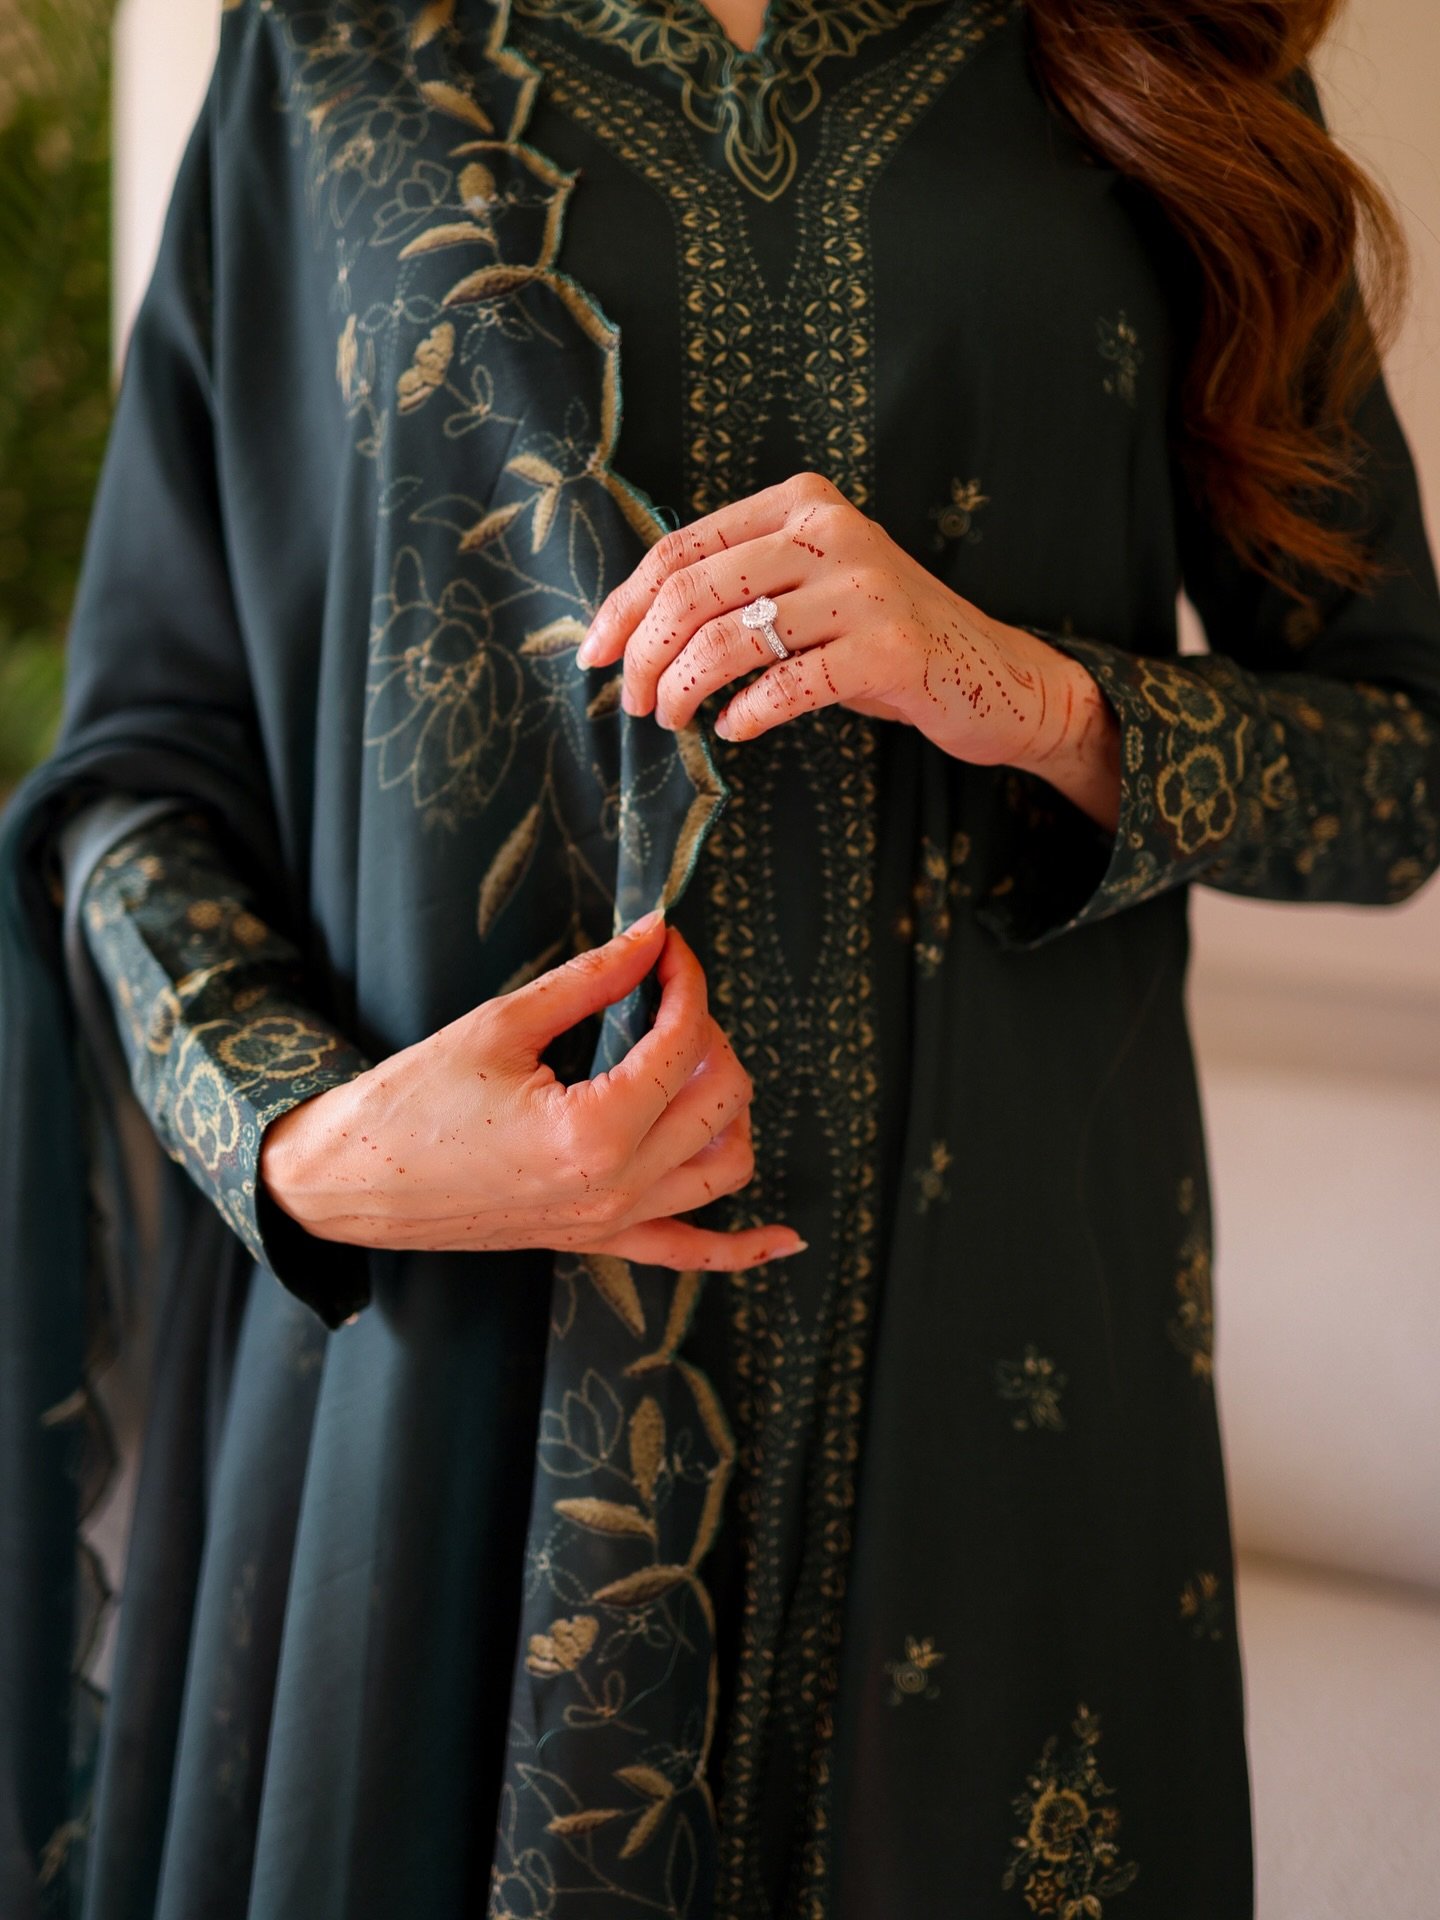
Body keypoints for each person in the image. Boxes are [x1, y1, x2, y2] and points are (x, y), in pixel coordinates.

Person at [2, 0, 1438, 1914]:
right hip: (434, 1410)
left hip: (1005, 1427)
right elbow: (134, 777)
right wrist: (312, 1146)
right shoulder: (333, 46)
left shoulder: (1152, 41)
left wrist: (1016, 687)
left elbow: (1399, 762)